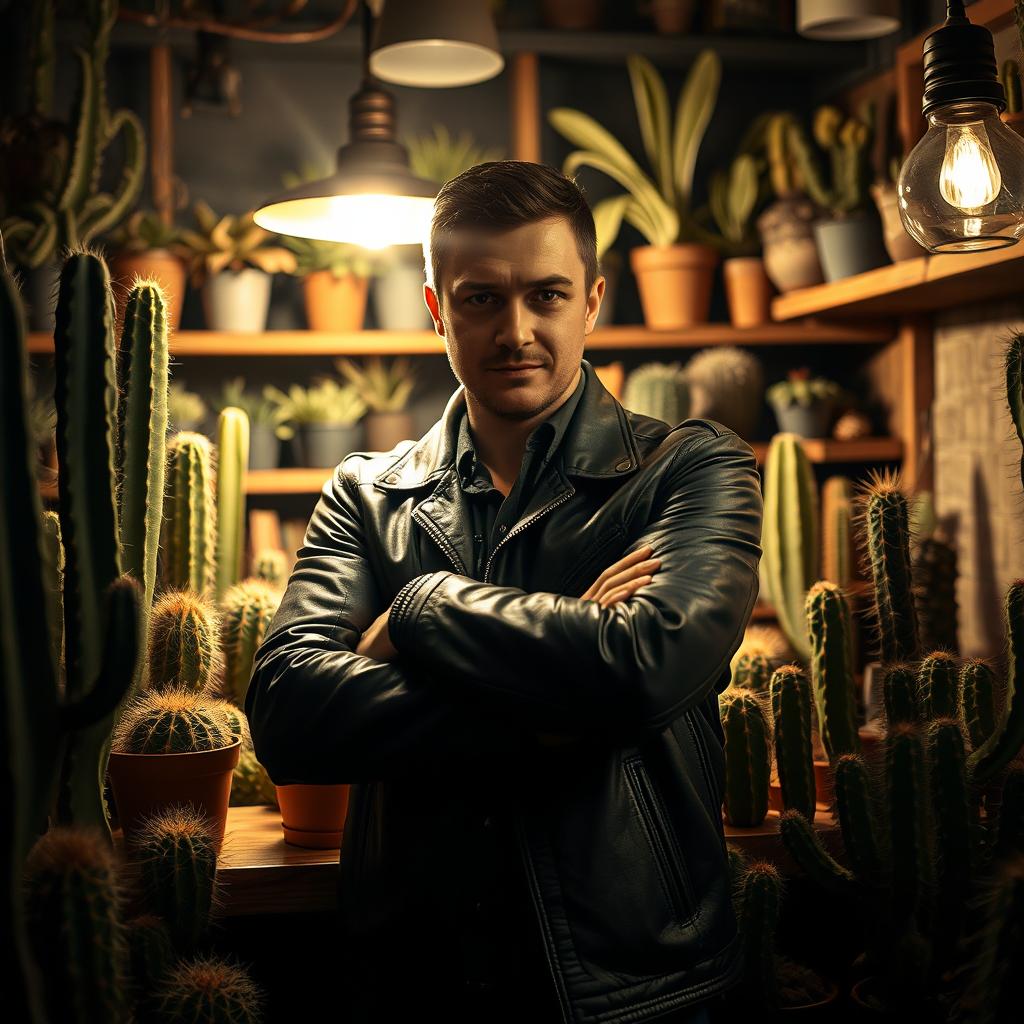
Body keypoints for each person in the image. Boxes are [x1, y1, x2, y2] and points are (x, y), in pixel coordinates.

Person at [245, 160, 763, 1024]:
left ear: (592, 301)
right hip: (416, 982)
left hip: (637, 990)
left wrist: (420, 611)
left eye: (546, 296)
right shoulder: (368, 493)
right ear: (438, 308)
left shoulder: (690, 468)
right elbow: (289, 712)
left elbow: (646, 665)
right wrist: (566, 702)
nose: (516, 330)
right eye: (482, 299)